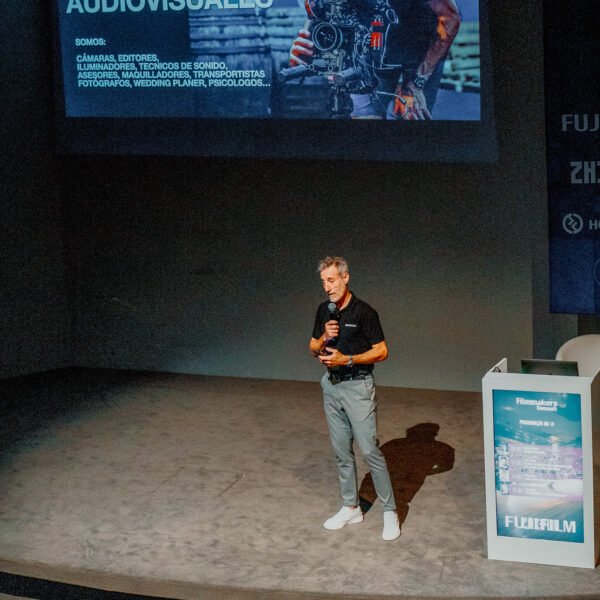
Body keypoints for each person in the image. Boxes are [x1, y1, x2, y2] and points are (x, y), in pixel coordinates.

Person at [309, 256, 400, 541]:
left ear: (345, 278)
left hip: (358, 387)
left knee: (370, 450)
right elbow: (312, 347)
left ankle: (390, 511)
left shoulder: (365, 313)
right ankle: (351, 507)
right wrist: (324, 337)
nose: (327, 287)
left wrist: (347, 359)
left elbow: (382, 351)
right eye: (323, 282)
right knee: (341, 452)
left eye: (331, 280)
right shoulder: (324, 310)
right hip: (331, 386)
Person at [289, 0, 461, 119]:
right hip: (370, 47)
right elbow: (319, 14)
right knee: (364, 123)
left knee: (410, 119)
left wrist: (416, 83)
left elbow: (450, 17)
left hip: (420, 49)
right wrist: (307, 45)